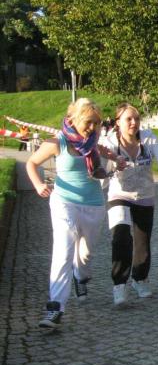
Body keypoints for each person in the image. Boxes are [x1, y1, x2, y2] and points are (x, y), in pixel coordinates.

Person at [26, 98, 126, 328]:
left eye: (96, 123)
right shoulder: (58, 142)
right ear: (74, 119)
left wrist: (118, 160)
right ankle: (55, 307)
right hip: (64, 202)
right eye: (88, 122)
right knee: (63, 251)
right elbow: (31, 163)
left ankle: (80, 276)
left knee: (86, 254)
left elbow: (108, 154)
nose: (93, 127)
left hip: (93, 204)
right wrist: (38, 185)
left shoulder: (93, 142)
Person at [100, 103, 158, 306]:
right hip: (119, 194)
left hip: (144, 195)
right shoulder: (108, 141)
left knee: (142, 242)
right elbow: (102, 171)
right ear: (118, 122)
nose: (134, 123)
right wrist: (114, 164)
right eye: (129, 119)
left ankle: (140, 278)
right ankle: (119, 284)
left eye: (137, 119)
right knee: (121, 237)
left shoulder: (148, 137)